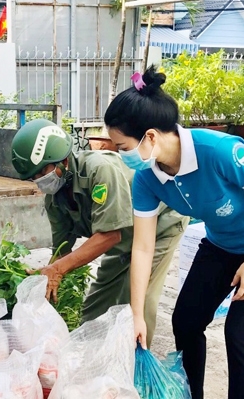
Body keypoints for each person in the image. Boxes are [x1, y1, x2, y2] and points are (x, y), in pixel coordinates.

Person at [104, 66, 244, 399]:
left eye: (122, 147)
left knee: (241, 334)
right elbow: (142, 248)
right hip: (221, 245)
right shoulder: (147, 179)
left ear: (150, 137)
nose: (119, 154)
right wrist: (137, 315)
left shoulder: (219, 151)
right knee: (186, 322)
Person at [10, 119, 189, 346]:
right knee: (95, 304)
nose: (39, 181)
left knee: (137, 301)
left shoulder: (98, 170)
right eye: (33, 178)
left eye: (42, 172)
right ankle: (86, 354)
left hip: (160, 225)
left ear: (63, 161)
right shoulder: (55, 199)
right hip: (125, 237)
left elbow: (109, 236)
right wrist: (48, 274)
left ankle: (137, 363)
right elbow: (62, 250)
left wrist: (57, 269)